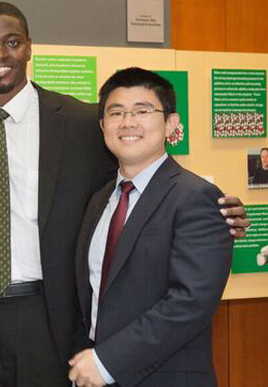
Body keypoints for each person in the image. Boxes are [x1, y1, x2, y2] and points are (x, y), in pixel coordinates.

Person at [0, 1, 250, 386]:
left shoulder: (81, 123)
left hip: (45, 315)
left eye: (11, 42)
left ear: (29, 47)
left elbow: (144, 174)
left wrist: (219, 209)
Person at [68, 67, 232, 387]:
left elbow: (190, 303)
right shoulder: (99, 200)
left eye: (143, 110)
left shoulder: (196, 197)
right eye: (116, 112)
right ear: (103, 125)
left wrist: (107, 361)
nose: (128, 122)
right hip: (96, 375)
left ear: (171, 124)